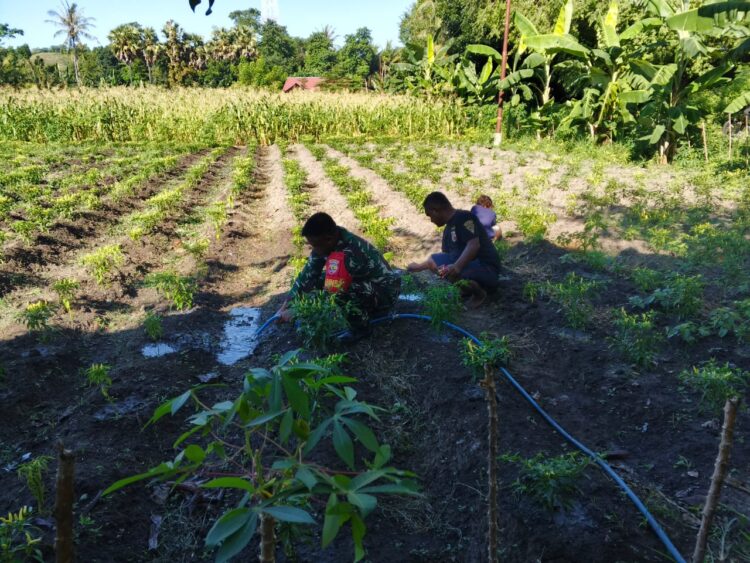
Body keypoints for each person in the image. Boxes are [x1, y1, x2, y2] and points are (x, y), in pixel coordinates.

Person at [278, 212, 400, 342]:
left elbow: (333, 291)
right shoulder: (326, 243)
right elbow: (308, 274)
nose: (315, 250)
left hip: (384, 291)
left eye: (315, 245)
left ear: (329, 238)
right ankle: (365, 309)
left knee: (343, 291)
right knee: (319, 280)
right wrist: (287, 303)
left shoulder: (349, 252)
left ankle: (360, 330)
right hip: (365, 283)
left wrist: (298, 311)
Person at [407, 191, 501, 307]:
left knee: (444, 268)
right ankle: (468, 288)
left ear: (436, 210)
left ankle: (479, 294)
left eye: (430, 215)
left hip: (487, 268)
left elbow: (474, 245)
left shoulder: (465, 218)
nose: (431, 220)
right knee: (440, 266)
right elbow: (447, 255)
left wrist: (456, 267)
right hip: (474, 267)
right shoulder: (448, 229)